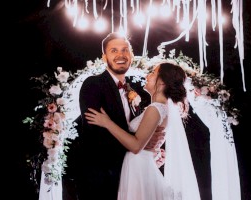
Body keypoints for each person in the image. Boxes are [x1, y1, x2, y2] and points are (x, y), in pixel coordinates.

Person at [85, 62, 201, 200]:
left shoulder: (156, 108)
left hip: (139, 170)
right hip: (139, 167)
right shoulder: (159, 108)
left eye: (153, 73)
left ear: (162, 82)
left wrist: (107, 122)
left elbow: (135, 146)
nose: (147, 75)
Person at [75, 32, 166, 200]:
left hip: (129, 178)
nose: (120, 55)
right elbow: (95, 133)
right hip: (102, 179)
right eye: (114, 51)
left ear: (131, 55)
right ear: (104, 57)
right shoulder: (93, 84)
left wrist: (149, 150)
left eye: (125, 50)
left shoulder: (133, 92)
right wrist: (140, 145)